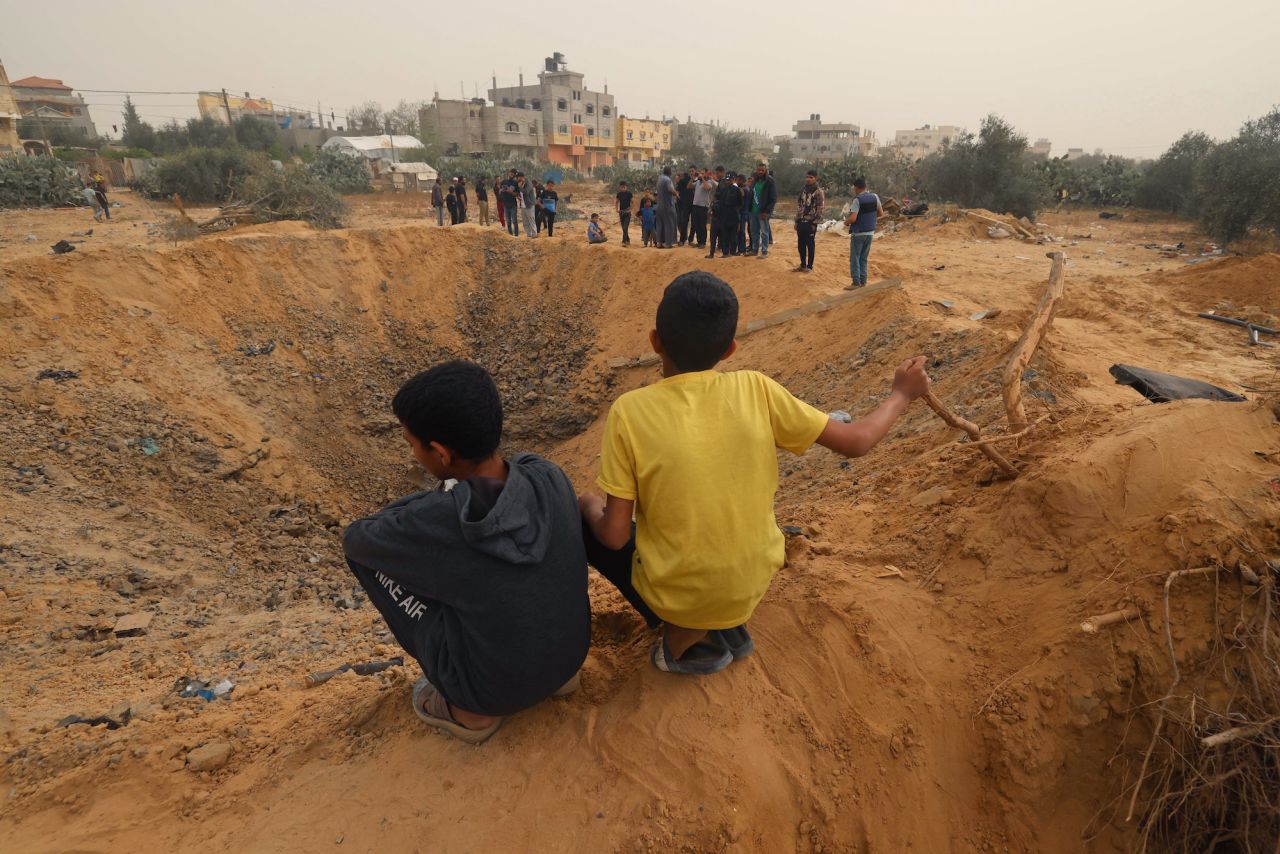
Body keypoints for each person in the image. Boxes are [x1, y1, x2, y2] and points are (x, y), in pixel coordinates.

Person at [578, 272, 931, 674]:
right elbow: (857, 441)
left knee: (590, 517)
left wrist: (589, 507)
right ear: (729, 349)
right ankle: (727, 623)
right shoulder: (756, 388)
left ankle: (683, 642)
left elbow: (615, 535)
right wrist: (901, 394)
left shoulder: (629, 411)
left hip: (683, 592)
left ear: (654, 341)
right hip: (752, 580)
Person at [343, 361, 590, 743]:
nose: (413, 455)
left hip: (492, 692)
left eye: (412, 445)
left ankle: (468, 712)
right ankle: (550, 675)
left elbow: (357, 539)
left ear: (440, 452)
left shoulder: (439, 519)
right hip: (568, 660)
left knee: (371, 561)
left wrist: (436, 501)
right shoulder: (547, 474)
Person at [844, 177, 885, 289]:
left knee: (855, 258)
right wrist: (869, 218)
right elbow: (881, 213)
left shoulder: (857, 200)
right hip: (870, 233)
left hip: (858, 233)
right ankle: (863, 281)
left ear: (856, 187)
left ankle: (856, 282)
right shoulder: (875, 197)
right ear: (865, 187)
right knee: (863, 258)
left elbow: (853, 218)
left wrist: (846, 223)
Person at [793, 170, 824, 273]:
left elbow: (820, 208)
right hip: (801, 221)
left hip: (811, 222)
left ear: (816, 178)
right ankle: (802, 265)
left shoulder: (818, 192)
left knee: (810, 244)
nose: (808, 179)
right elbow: (799, 205)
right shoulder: (803, 190)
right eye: (807, 177)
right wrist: (796, 221)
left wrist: (815, 223)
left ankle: (809, 267)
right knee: (800, 244)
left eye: (811, 177)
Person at [710, 168, 741, 259]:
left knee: (733, 235)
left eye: (730, 180)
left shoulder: (737, 190)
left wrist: (735, 211)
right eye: (727, 180)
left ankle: (732, 252)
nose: (728, 181)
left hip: (733, 215)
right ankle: (725, 253)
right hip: (725, 216)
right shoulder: (723, 190)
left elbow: (740, 203)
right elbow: (720, 201)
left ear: (733, 180)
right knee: (725, 235)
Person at [749, 163, 776, 258]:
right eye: (758, 170)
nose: (760, 172)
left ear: (765, 171)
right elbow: (751, 195)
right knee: (754, 231)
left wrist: (767, 211)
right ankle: (755, 250)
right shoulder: (754, 181)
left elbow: (773, 199)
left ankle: (764, 252)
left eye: (762, 170)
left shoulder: (770, 181)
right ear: (756, 170)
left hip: (763, 212)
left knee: (764, 232)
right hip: (753, 211)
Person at [690, 167, 715, 249]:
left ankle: (703, 242)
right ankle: (699, 241)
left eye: (703, 173)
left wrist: (703, 178)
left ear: (707, 174)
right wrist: (692, 178)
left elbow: (707, 188)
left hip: (703, 207)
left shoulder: (709, 182)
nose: (701, 174)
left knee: (702, 225)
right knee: (696, 224)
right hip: (695, 206)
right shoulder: (697, 182)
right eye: (701, 173)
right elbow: (688, 186)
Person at [654, 166, 677, 249]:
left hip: (659, 206)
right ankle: (668, 243)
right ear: (669, 172)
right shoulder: (668, 180)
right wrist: (676, 194)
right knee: (669, 224)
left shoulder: (660, 178)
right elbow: (670, 189)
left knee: (660, 224)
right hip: (667, 206)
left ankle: (659, 243)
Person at [676, 167, 695, 246]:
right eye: (690, 171)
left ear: (695, 171)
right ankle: (682, 240)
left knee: (694, 223)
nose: (691, 172)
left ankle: (690, 240)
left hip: (695, 204)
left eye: (693, 171)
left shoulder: (699, 179)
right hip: (686, 204)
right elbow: (678, 187)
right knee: (684, 222)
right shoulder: (685, 180)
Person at [518, 174, 537, 239]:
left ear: (523, 177)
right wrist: (518, 196)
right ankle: (529, 235)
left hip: (529, 205)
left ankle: (534, 234)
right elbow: (520, 193)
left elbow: (526, 192)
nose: (519, 179)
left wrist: (520, 187)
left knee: (531, 220)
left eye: (520, 178)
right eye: (518, 178)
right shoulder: (520, 184)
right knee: (525, 222)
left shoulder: (529, 183)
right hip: (523, 205)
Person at [615, 181, 633, 246]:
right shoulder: (619, 194)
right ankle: (628, 239)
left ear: (626, 187)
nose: (623, 188)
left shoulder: (629, 193)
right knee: (623, 227)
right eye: (622, 187)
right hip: (621, 212)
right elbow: (617, 202)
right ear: (620, 187)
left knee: (625, 227)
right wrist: (617, 209)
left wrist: (630, 210)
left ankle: (624, 241)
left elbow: (632, 202)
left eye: (624, 187)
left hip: (627, 212)